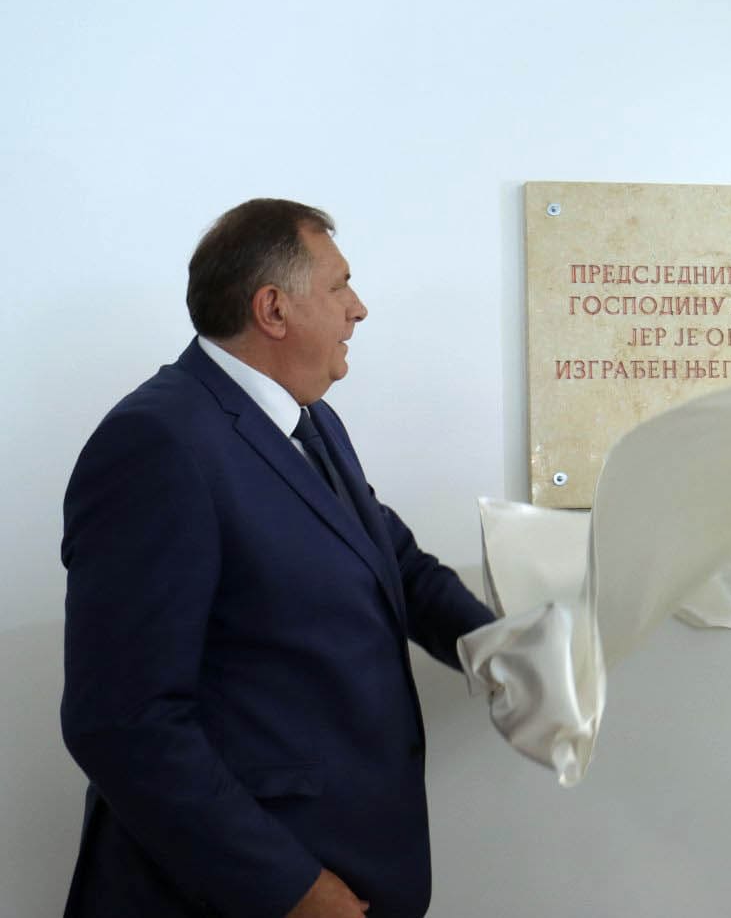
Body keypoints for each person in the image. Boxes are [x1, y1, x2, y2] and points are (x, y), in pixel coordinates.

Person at [60, 199, 496, 918]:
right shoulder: (157, 443)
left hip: (347, 866)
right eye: (339, 285)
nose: (358, 307)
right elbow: (124, 722)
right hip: (238, 894)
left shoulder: (311, 419)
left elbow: (393, 558)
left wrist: (502, 650)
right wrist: (291, 890)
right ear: (273, 308)